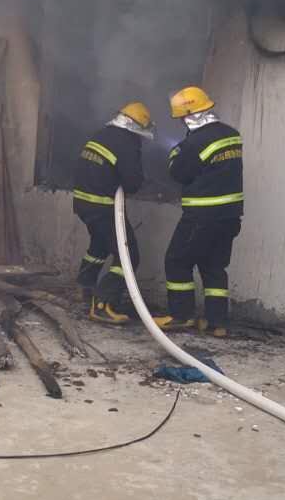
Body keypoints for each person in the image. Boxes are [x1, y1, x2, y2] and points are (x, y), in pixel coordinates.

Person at [154, 86, 243, 338]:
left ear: (188, 115)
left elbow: (179, 173)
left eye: (181, 118)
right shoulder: (232, 134)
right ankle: (217, 322)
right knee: (214, 266)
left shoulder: (194, 143)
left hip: (202, 216)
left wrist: (174, 155)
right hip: (230, 216)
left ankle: (181, 315)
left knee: (177, 260)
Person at [73, 102, 153, 325]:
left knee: (99, 246)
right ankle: (102, 304)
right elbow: (132, 182)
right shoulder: (126, 144)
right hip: (103, 207)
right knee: (129, 255)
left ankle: (84, 286)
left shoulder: (101, 135)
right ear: (136, 127)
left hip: (84, 204)